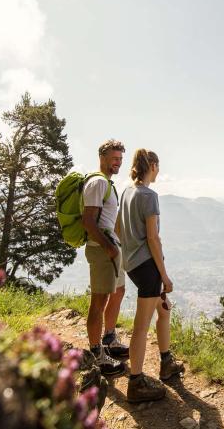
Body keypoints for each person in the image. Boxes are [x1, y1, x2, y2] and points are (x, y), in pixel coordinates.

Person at [116, 148, 185, 403]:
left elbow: (118, 228)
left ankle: (166, 362)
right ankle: (136, 383)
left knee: (163, 311)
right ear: (152, 165)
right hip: (148, 268)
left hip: (133, 264)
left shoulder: (127, 193)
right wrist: (164, 276)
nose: (159, 171)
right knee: (141, 326)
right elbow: (153, 238)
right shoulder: (149, 196)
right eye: (158, 166)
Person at [82, 139, 129, 378]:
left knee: (118, 291)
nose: (117, 163)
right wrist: (109, 247)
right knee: (98, 303)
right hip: (101, 250)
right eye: (114, 158)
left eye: (120, 159)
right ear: (102, 157)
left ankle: (109, 338)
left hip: (110, 248)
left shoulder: (107, 183)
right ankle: (96, 354)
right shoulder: (98, 182)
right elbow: (88, 221)